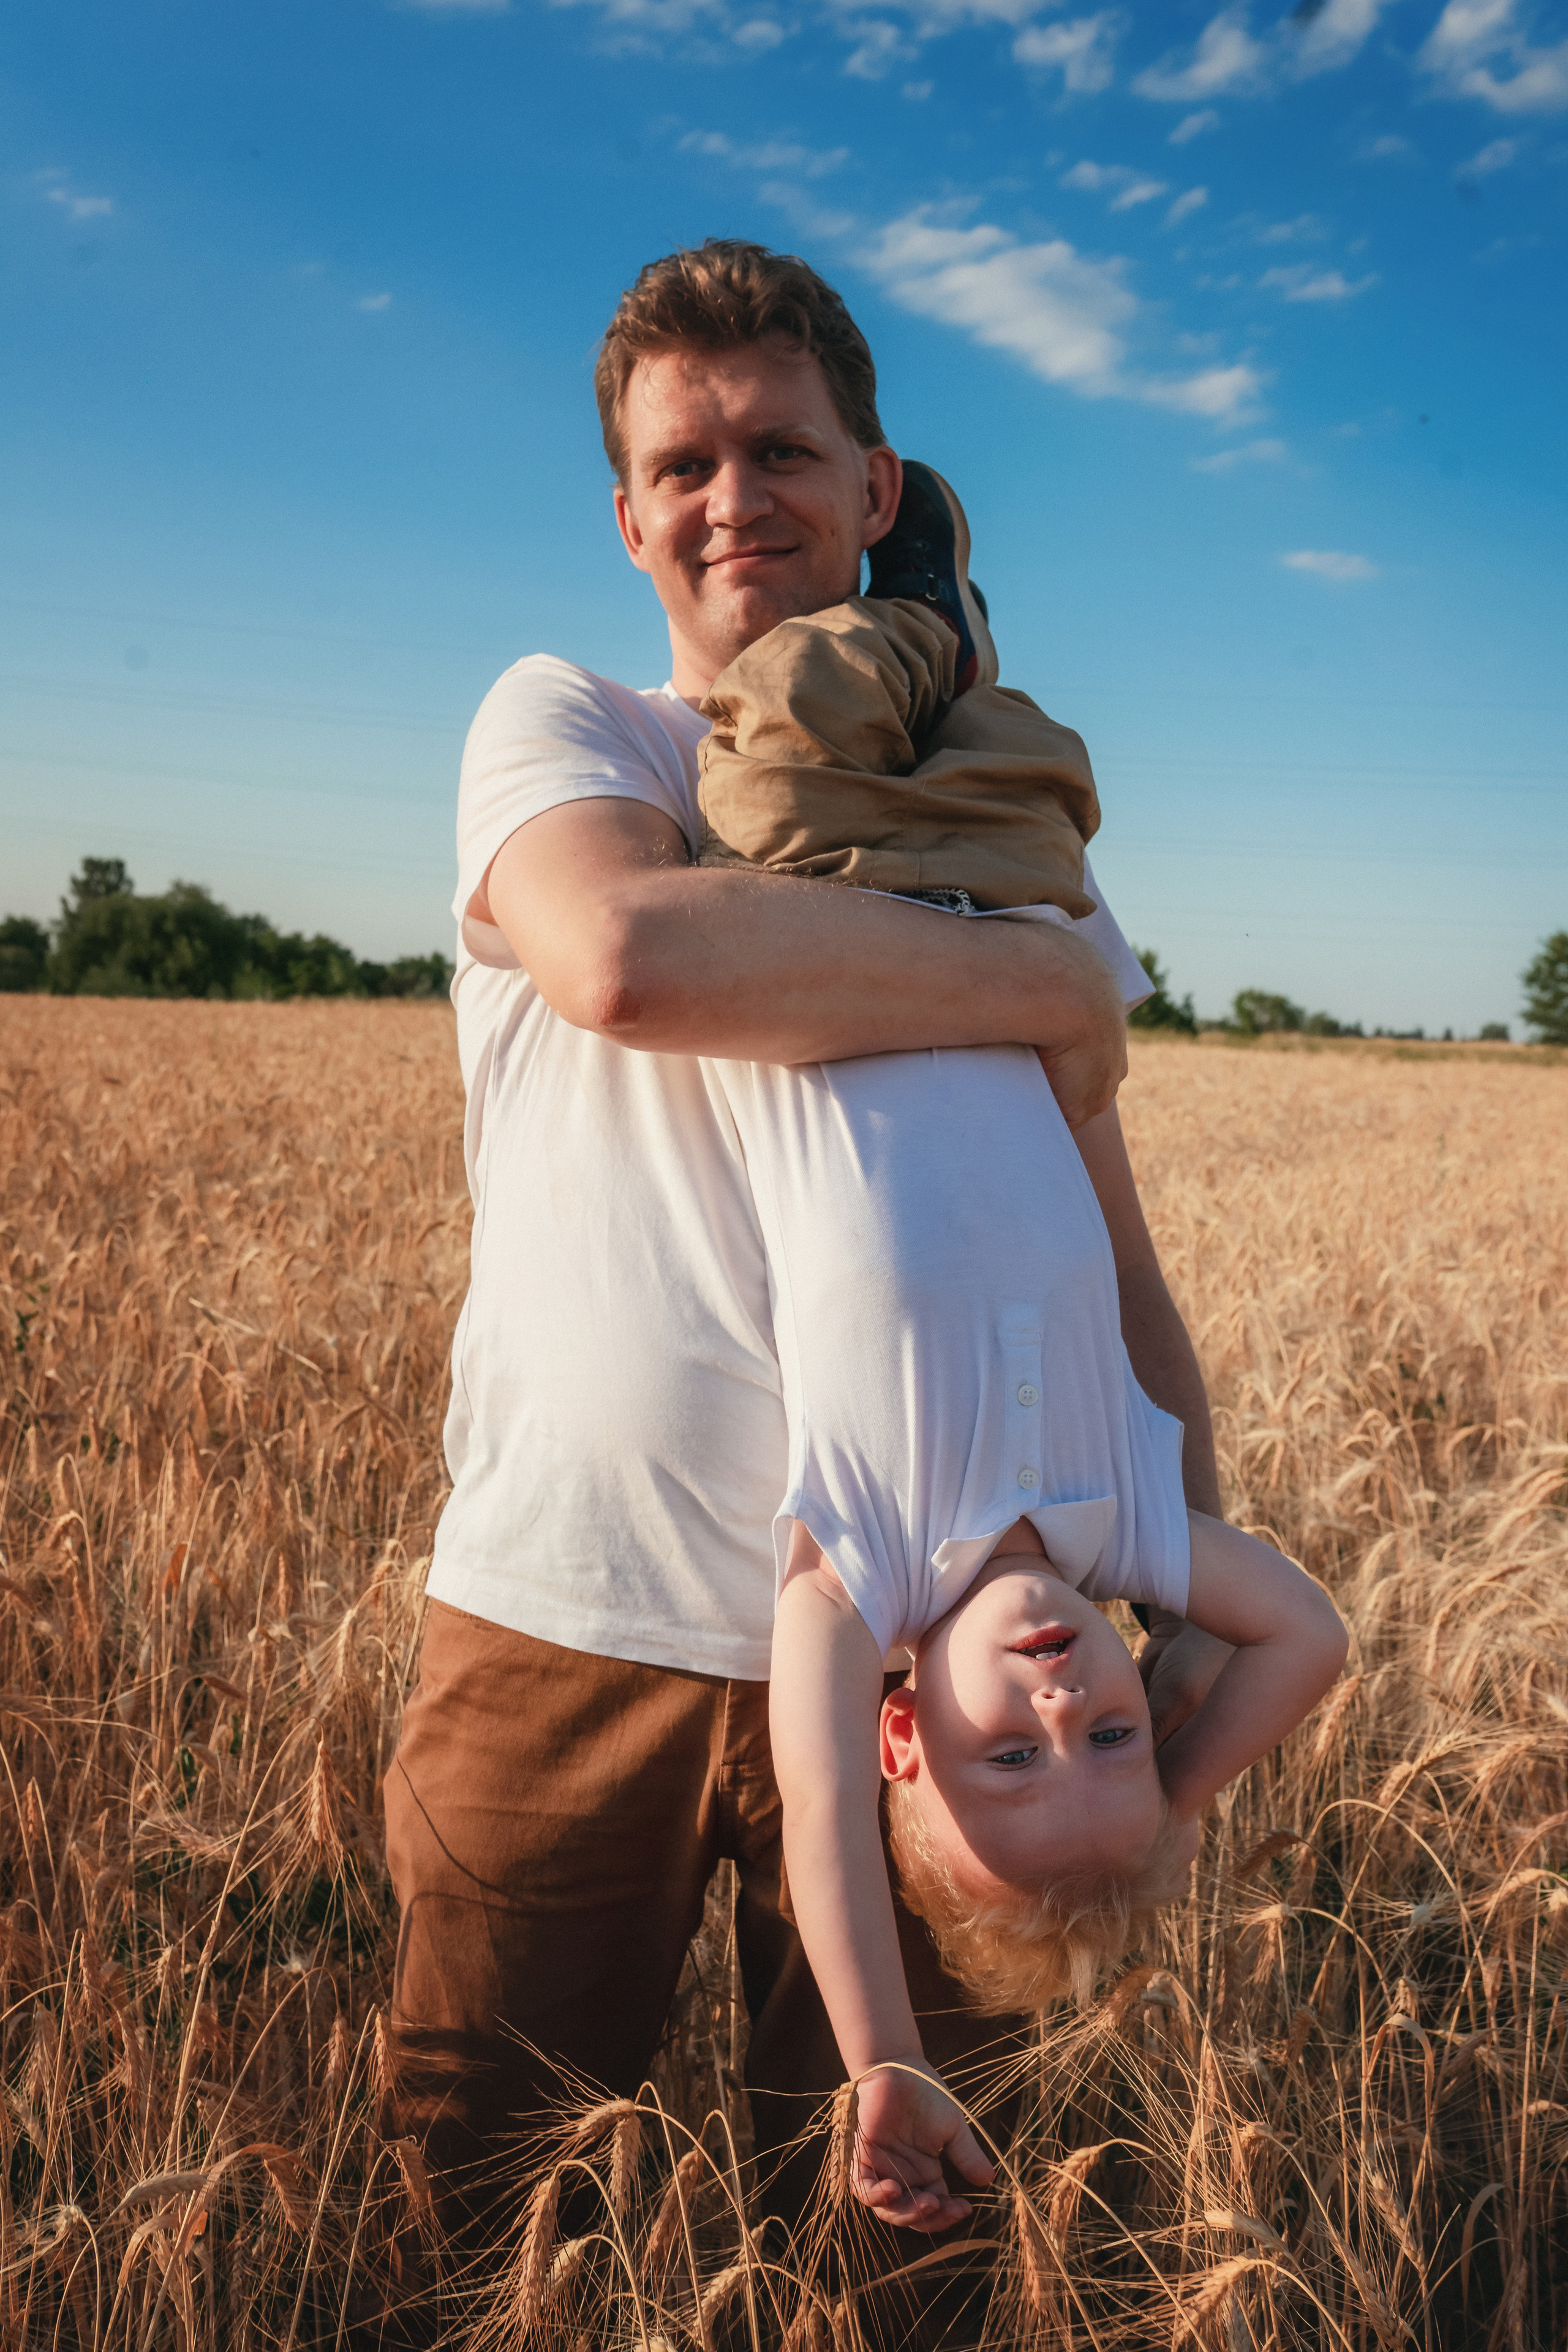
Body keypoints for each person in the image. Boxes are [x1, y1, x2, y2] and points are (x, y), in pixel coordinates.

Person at [383, 239, 1235, 2283]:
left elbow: (1103, 1227)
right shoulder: (571, 727)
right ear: (625, 514)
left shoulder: (1012, 823)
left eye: (783, 450)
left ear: (876, 489)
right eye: (681, 465)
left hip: (934, 1640)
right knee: (485, 2221)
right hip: (565, 1610)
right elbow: (623, 955)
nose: (730, 499)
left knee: (901, 2239)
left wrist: (1189, 1550)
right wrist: (1028, 974)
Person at [680, 457, 1349, 2226]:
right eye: (1111, 1737)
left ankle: (915, 618)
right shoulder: (1124, 1529)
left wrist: (884, 2052)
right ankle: (952, 639)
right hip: (997, 924)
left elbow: (819, 1820)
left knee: (776, 732)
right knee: (1028, 756)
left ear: (908, 1733)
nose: (1064, 1700)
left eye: (1009, 1755)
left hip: (818, 928)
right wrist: (1175, 1807)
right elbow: (1310, 1636)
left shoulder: (869, 1577)